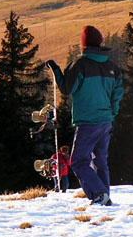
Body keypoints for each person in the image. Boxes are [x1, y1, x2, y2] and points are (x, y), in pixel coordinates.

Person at [46, 25, 124, 206]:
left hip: (88, 122)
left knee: (78, 162)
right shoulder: (112, 67)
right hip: (106, 121)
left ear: (84, 44)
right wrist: (112, 112)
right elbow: (117, 93)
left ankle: (99, 194)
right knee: (101, 161)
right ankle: (104, 197)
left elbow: (66, 89)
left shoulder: (80, 65)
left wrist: (56, 70)